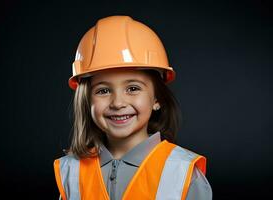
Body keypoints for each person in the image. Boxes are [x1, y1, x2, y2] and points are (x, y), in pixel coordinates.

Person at [53, 15, 212, 200]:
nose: (118, 103)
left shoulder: (183, 173)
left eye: (133, 88)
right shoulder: (71, 171)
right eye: (103, 90)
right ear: (87, 101)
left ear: (157, 99)